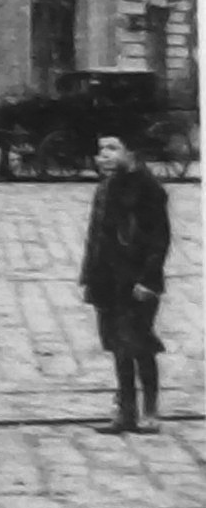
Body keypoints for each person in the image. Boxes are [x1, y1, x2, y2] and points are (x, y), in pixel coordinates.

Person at [81, 134, 171, 434]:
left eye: (112, 148)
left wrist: (148, 280)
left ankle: (150, 411)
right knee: (118, 347)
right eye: (100, 150)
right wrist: (90, 276)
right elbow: (96, 236)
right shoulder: (106, 187)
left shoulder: (148, 189)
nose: (104, 155)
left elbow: (159, 239)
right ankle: (126, 412)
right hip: (107, 279)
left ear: (130, 152)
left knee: (140, 345)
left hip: (137, 281)